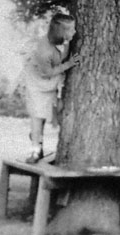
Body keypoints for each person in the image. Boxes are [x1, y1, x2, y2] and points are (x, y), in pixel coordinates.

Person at [23, 13, 80, 163]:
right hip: (38, 82)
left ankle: (37, 140)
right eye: (71, 29)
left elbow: (60, 57)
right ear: (61, 32)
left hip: (48, 78)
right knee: (37, 115)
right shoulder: (44, 50)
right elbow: (47, 72)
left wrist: (68, 44)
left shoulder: (59, 42)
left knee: (46, 113)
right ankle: (35, 150)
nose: (75, 32)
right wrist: (69, 65)